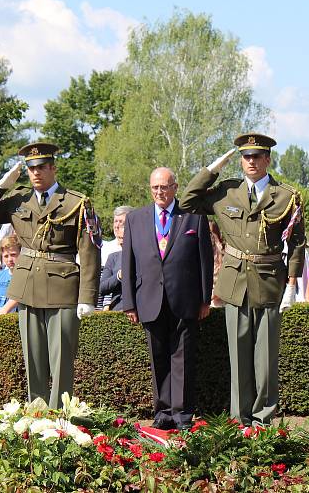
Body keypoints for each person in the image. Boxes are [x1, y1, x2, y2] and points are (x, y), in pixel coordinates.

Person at [178, 133, 306, 426]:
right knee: (238, 358)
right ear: (240, 160)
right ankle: (240, 419)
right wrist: (212, 169)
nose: (252, 161)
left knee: (266, 359)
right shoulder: (226, 191)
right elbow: (187, 202)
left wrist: (292, 285)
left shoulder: (287, 196)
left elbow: (297, 243)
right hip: (234, 283)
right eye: (246, 156)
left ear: (267, 159)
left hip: (270, 280)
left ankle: (263, 418)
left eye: (257, 156)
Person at [0, 142, 101, 409]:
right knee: (33, 359)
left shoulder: (77, 203)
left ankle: (61, 417)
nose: (36, 173)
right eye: (31, 169)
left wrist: (87, 296)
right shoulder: (18, 200)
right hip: (27, 286)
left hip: (63, 286)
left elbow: (90, 253)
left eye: (41, 167)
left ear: (53, 168)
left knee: (61, 360)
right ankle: (38, 417)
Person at [121, 167, 213, 430]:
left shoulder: (193, 218)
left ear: (175, 187)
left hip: (185, 299)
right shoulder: (135, 219)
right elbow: (128, 262)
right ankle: (163, 413)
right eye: (155, 188)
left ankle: (182, 414)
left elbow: (204, 262)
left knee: (183, 358)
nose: (159, 192)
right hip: (149, 299)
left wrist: (205, 299)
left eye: (164, 187)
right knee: (158, 356)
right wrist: (129, 302)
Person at [99, 206, 134, 311]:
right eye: (115, 222)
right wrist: (119, 276)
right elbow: (102, 287)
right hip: (117, 309)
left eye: (121, 223)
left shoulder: (143, 253)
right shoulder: (112, 256)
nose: (117, 226)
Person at [0, 235, 22, 314]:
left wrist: (3, 310)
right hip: (1, 317)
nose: (10, 259)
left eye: (13, 255)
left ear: (21, 254)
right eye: (6, 256)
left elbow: (19, 296)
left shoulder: (26, 275)